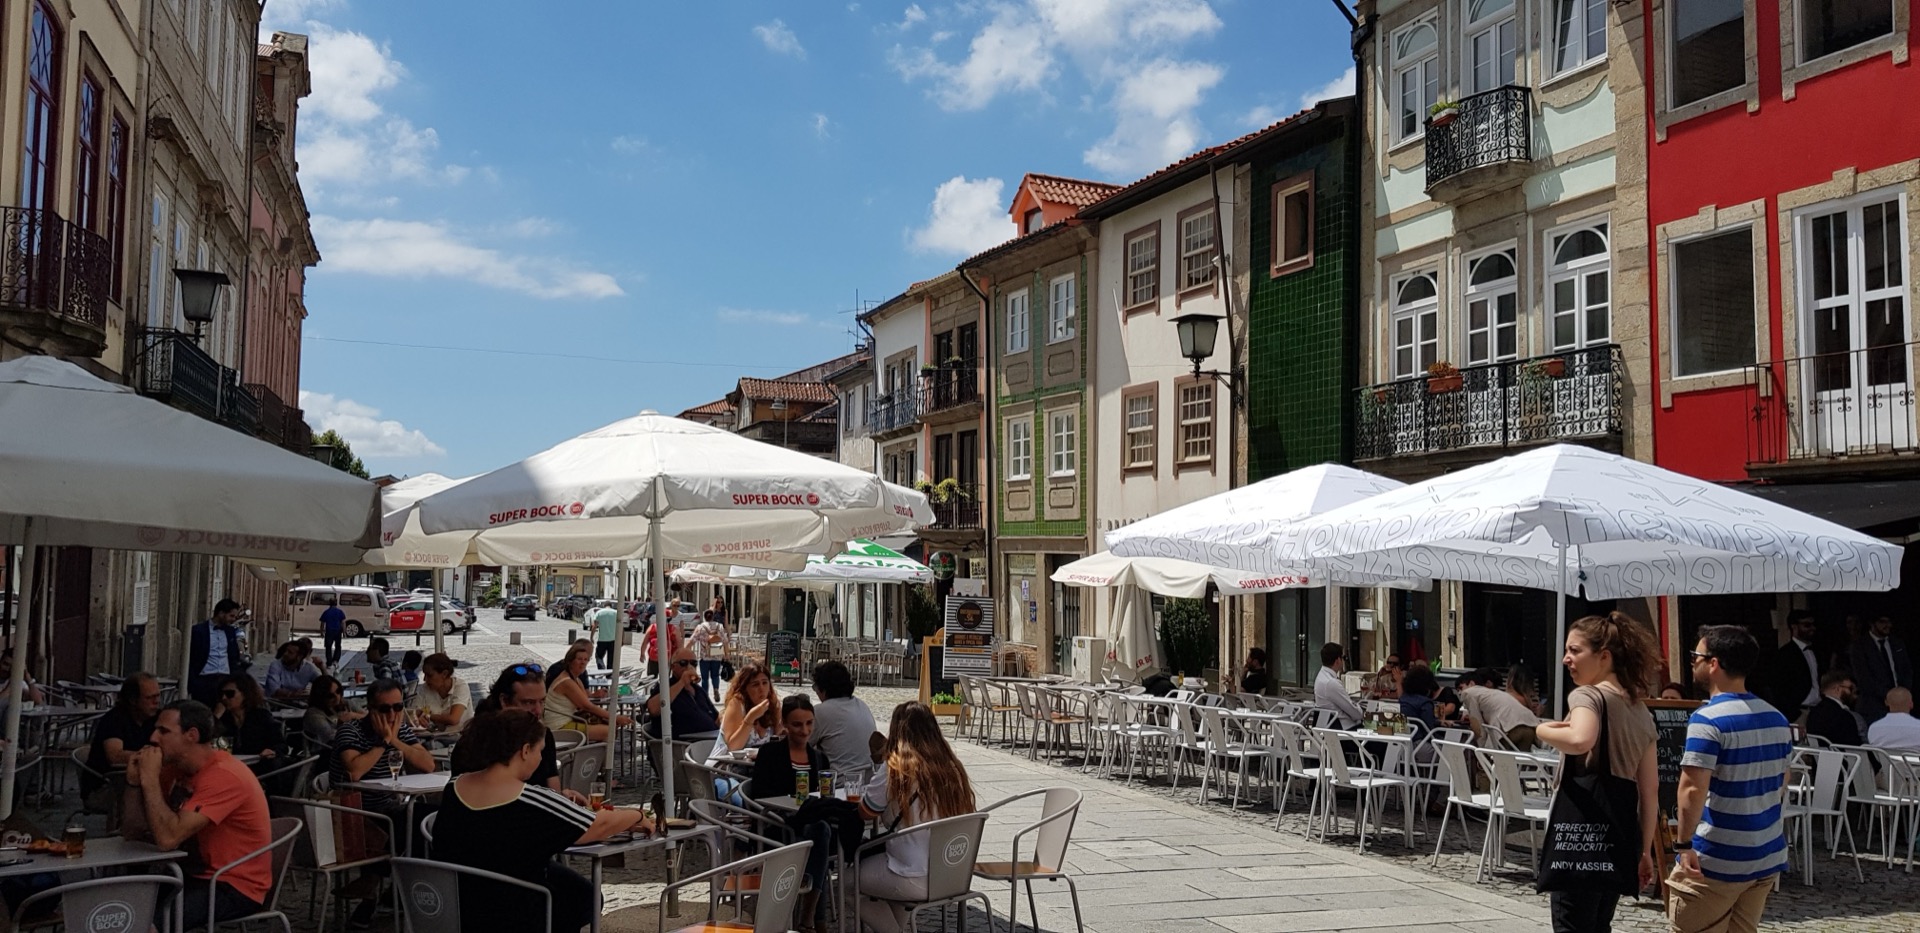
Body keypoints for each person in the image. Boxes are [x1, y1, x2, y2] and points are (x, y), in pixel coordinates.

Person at [436, 710, 651, 933]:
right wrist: (636, 815)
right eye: (540, 750)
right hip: (513, 911)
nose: (541, 758)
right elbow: (596, 825)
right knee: (582, 897)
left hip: (453, 905)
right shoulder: (529, 799)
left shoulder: (455, 786)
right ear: (525, 751)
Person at [1533, 612, 1662, 933]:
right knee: (1599, 925)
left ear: (1604, 657)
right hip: (1617, 837)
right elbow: (1649, 791)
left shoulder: (1587, 695)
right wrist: (1644, 851)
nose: (1566, 659)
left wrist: (1541, 729)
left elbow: (1580, 739)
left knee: (1572, 923)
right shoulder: (1640, 710)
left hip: (1580, 835)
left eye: (1574, 650)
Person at [1669, 625, 1792, 933]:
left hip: (1718, 856)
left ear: (1713, 663)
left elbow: (1692, 789)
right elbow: (1781, 783)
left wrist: (1683, 844)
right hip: (1764, 852)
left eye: (1696, 656)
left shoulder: (1708, 720)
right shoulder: (1777, 719)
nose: (1692, 662)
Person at [121, 701, 273, 928]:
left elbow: (167, 839)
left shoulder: (224, 775)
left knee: (149, 922)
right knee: (122, 908)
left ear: (191, 735)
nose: (153, 737)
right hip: (187, 873)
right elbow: (133, 831)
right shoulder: (174, 769)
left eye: (163, 731)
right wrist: (134, 783)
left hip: (231, 883)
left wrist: (150, 780)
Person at [856, 702, 977, 933]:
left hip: (911, 874)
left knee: (845, 884)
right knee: (887, 876)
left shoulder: (895, 768)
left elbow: (866, 811)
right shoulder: (953, 768)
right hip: (951, 874)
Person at [749, 695, 848, 932]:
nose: (804, 731)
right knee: (820, 835)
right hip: (777, 826)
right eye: (797, 724)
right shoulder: (770, 753)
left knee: (820, 832)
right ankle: (813, 919)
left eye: (809, 723)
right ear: (784, 724)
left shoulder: (819, 758)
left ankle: (808, 915)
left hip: (811, 826)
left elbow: (823, 797)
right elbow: (759, 795)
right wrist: (791, 803)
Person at [330, 678, 438, 855]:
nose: (392, 715)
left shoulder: (400, 729)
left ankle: (413, 869)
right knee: (418, 825)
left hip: (389, 807)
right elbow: (354, 772)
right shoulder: (350, 731)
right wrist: (384, 741)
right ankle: (403, 868)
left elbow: (428, 764)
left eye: (398, 707)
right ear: (371, 709)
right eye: (384, 709)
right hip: (357, 812)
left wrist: (394, 739)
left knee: (436, 818)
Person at [468, 663, 589, 804]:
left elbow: (553, 787)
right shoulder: (478, 740)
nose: (538, 710)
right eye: (528, 702)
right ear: (504, 701)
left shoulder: (543, 735)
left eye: (542, 701)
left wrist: (563, 799)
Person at [83, 673, 161, 806]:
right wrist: (152, 757)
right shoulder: (114, 720)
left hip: (137, 780)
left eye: (158, 696)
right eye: (149, 698)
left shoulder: (156, 718)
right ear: (133, 700)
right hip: (105, 787)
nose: (156, 701)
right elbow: (115, 756)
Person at [545, 640, 632, 742]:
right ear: (570, 661)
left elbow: (585, 700)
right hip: (559, 726)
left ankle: (595, 750)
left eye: (586, 660)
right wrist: (615, 717)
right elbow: (587, 706)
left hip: (568, 719)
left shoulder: (576, 679)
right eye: (579, 659)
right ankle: (593, 752)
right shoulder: (566, 681)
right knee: (609, 731)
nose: (583, 663)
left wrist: (607, 716)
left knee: (608, 726)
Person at [810, 659, 878, 775]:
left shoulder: (820, 712)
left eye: (815, 687)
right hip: (869, 778)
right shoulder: (862, 705)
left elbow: (800, 745)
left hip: (839, 780)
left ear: (823, 689)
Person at [1756, 610, 1822, 723]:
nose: (1813, 628)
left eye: (1814, 624)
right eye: (1807, 625)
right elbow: (1778, 689)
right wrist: (1793, 714)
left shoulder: (1818, 652)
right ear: (1794, 627)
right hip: (1799, 712)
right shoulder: (1784, 655)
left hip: (1819, 710)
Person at [1848, 615, 1913, 722]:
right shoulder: (1859, 646)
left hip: (1901, 704)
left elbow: (1907, 671)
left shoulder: (1897, 643)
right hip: (1874, 706)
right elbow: (1864, 679)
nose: (1888, 625)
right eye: (1883, 622)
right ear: (1872, 624)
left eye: (1889, 622)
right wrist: (1890, 695)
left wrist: (1903, 693)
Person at [646, 645, 721, 738]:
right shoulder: (665, 686)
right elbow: (653, 709)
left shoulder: (698, 690)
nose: (689, 667)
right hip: (683, 743)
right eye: (683, 663)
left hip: (709, 738)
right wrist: (682, 682)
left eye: (693, 663)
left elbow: (715, 717)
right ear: (673, 667)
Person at [1457, 667, 1542, 748]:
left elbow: (1477, 725)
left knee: (1501, 756)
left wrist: (1482, 749)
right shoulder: (1493, 693)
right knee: (1521, 756)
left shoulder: (1468, 693)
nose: (1460, 693)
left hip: (1509, 728)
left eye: (1461, 688)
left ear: (1471, 683)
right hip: (1530, 725)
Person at [713, 660, 778, 762]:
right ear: (745, 688)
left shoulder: (772, 705)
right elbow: (733, 747)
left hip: (756, 767)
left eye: (765, 683)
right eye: (755, 684)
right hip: (724, 765)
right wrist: (750, 719)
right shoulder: (737, 704)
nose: (761, 689)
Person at [214, 673, 286, 762]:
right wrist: (215, 717)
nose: (224, 698)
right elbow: (211, 744)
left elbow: (280, 744)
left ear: (244, 694)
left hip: (259, 764)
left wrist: (272, 751)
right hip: (230, 765)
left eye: (229, 694)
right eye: (221, 694)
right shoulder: (223, 719)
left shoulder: (261, 716)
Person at [188, 598, 247, 706]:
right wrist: (194, 682)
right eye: (231, 616)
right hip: (204, 679)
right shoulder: (199, 631)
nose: (233, 619)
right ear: (221, 613)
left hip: (224, 678)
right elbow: (192, 656)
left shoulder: (230, 632)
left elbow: (233, 656)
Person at [413, 652, 472, 733]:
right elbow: (414, 713)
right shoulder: (424, 689)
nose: (424, 679)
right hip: (431, 736)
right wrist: (419, 719)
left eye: (429, 675)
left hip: (460, 735)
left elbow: (454, 719)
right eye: (424, 675)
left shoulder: (460, 686)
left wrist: (428, 716)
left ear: (444, 674)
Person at [1804, 670, 1864, 747]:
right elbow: (1854, 748)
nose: (1853, 693)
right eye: (1850, 688)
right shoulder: (1844, 717)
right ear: (1837, 689)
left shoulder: (1813, 713)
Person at [1313, 643, 1364, 730]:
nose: (1344, 661)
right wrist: (1361, 710)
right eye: (1343, 657)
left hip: (1330, 727)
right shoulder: (1331, 683)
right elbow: (1355, 713)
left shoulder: (1321, 676)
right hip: (1343, 729)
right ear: (1337, 661)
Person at [303, 674, 362, 746]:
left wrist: (353, 715)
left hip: (353, 743)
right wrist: (340, 724)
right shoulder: (313, 714)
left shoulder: (346, 703)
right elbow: (331, 737)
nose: (337, 697)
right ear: (320, 697)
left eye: (338, 691)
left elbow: (369, 715)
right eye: (330, 696)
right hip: (327, 749)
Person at [1867, 687, 1920, 751]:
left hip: (1883, 758)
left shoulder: (1873, 728)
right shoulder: (1918, 726)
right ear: (1911, 704)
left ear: (1886, 703)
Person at [692, 611, 728, 702]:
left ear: (705, 617)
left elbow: (692, 640)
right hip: (717, 655)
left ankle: (705, 696)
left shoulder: (700, 627)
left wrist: (685, 649)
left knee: (705, 678)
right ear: (713, 617)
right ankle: (716, 689)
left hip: (705, 656)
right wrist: (726, 654)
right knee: (715, 675)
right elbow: (725, 641)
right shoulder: (720, 626)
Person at [591, 600, 620, 670]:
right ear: (611, 606)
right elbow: (621, 627)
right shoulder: (616, 613)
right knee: (611, 659)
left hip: (602, 639)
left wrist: (591, 637)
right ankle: (609, 673)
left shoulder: (599, 613)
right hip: (613, 640)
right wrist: (622, 639)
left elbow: (594, 626)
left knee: (599, 656)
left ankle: (602, 669)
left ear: (604, 606)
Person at [319, 594, 346, 668]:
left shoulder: (326, 612)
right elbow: (343, 622)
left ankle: (329, 663)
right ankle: (335, 660)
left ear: (329, 604)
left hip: (329, 631)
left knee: (328, 647)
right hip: (338, 631)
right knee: (338, 646)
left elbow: (322, 623)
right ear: (336, 603)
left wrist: (321, 632)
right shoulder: (340, 612)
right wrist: (344, 632)